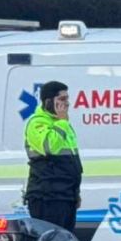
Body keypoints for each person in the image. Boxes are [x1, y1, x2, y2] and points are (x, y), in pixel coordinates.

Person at [24, 81, 83, 233]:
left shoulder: (61, 124)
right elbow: (50, 147)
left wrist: (75, 194)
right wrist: (62, 122)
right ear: (49, 101)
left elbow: (71, 162)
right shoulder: (37, 123)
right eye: (62, 99)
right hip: (47, 197)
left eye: (67, 99)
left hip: (64, 196)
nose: (67, 103)